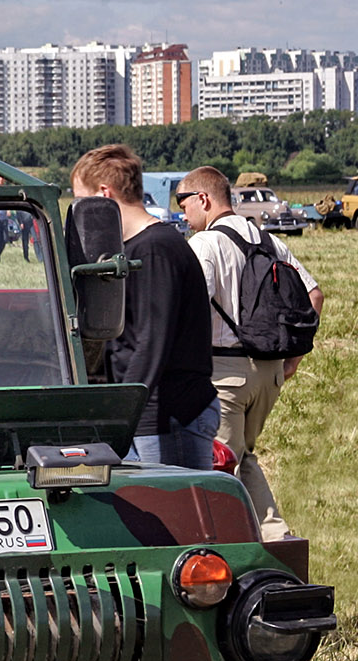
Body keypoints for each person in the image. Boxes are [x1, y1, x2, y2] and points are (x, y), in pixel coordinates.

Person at [179, 164, 324, 539]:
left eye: (183, 203)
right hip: (270, 372)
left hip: (224, 373)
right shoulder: (268, 240)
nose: (182, 212)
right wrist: (292, 359)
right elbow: (314, 295)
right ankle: (277, 536)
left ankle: (228, 549)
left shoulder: (204, 245)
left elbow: (190, 308)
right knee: (243, 456)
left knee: (219, 466)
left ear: (204, 199)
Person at [71, 145, 218, 469]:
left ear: (103, 195)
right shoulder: (135, 249)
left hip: (166, 417)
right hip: (146, 415)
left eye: (81, 201)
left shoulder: (154, 251)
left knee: (176, 515)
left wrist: (120, 415)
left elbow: (151, 342)